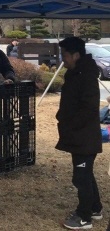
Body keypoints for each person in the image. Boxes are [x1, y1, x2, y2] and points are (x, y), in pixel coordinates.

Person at [57, 37, 103, 230]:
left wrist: (71, 124)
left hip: (84, 135)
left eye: (65, 55)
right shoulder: (75, 72)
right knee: (85, 173)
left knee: (81, 176)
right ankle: (95, 208)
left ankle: (84, 217)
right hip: (78, 135)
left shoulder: (86, 75)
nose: (62, 59)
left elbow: (90, 107)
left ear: (76, 55)